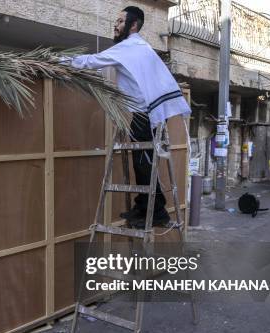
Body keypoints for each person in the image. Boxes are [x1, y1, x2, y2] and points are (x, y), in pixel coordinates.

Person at [68, 6, 191, 227]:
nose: (115, 25)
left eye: (120, 21)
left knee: (143, 164)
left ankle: (155, 212)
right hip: (147, 113)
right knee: (143, 163)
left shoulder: (129, 47)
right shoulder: (140, 47)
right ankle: (144, 208)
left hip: (145, 114)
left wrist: (59, 61)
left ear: (133, 25)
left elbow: (91, 61)